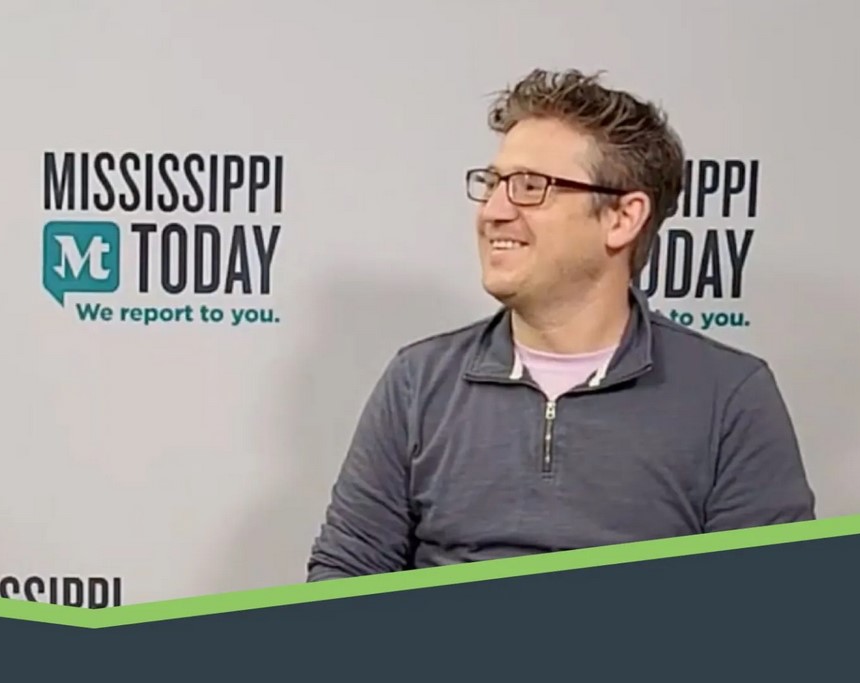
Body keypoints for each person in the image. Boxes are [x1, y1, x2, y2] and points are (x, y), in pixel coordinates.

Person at [307, 69, 813, 580]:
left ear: (622, 218)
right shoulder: (419, 382)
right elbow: (346, 571)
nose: (493, 211)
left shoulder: (728, 396)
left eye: (530, 187)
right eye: (492, 183)